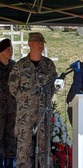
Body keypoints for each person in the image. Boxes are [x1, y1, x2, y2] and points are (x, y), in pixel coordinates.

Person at [8, 32, 57, 168]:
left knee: (45, 147)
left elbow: (53, 86)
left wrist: (44, 99)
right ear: (30, 44)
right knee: (24, 147)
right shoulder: (20, 65)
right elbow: (13, 87)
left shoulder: (48, 65)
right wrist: (26, 99)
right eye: (38, 42)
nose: (41, 45)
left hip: (44, 112)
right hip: (25, 114)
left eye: (42, 43)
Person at [0, 39, 17, 168]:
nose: (11, 52)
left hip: (12, 109)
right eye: (8, 50)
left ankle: (10, 164)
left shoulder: (15, 67)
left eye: (11, 49)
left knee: (11, 138)